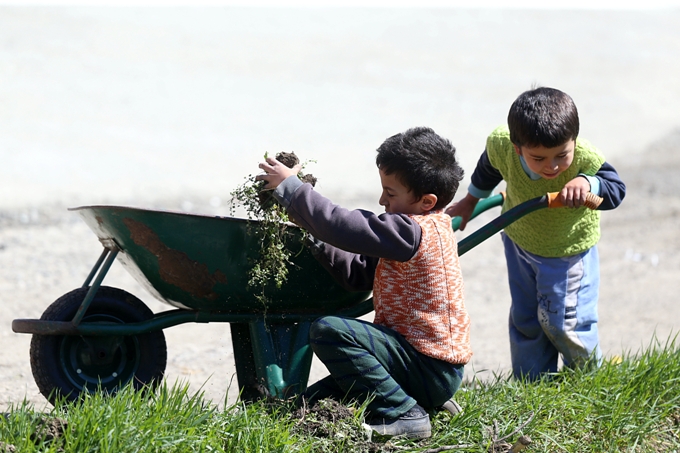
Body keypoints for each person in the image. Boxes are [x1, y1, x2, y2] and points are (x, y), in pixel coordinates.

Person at [256, 127, 470, 439]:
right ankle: (421, 402)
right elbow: (357, 274)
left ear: (426, 201)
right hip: (414, 366)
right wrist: (310, 232)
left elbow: (341, 225)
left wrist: (292, 189)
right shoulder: (408, 235)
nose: (382, 199)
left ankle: (404, 413)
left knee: (328, 330)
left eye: (391, 193)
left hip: (427, 366)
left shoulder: (412, 232)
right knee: (308, 408)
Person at [446, 87, 626, 381]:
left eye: (561, 155)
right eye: (539, 158)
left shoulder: (585, 159)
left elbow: (616, 190)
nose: (552, 166)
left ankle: (588, 378)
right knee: (527, 318)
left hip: (566, 253)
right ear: (518, 148)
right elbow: (490, 167)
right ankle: (531, 381)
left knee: (565, 322)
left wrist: (588, 183)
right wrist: (470, 201)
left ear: (574, 142)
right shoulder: (504, 145)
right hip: (519, 242)